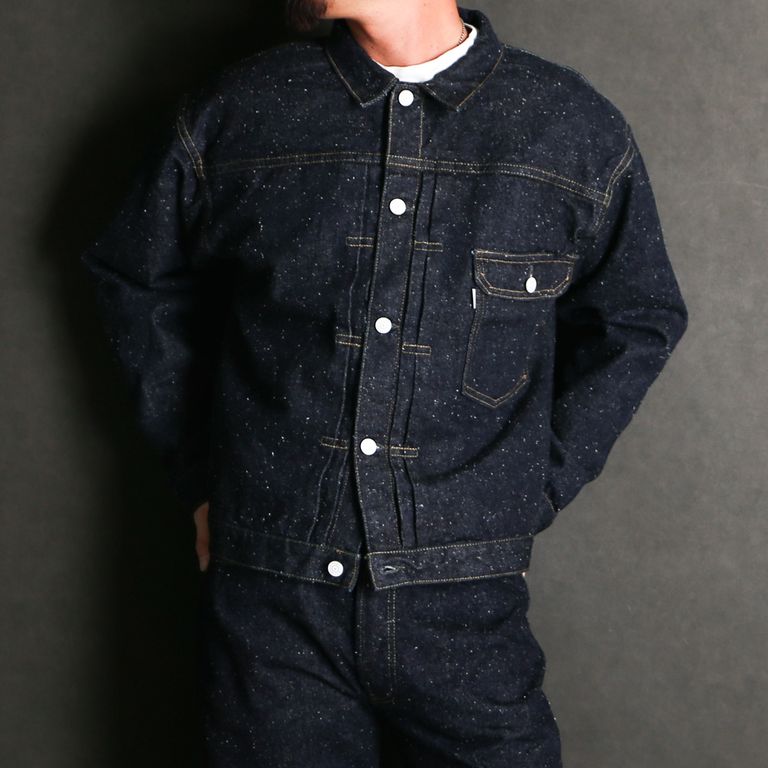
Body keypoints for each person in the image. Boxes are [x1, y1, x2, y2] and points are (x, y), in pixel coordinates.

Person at [79, 1, 689, 765]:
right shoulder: (237, 111)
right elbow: (133, 278)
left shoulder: (569, 130)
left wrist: (535, 483)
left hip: (467, 612)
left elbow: (638, 316)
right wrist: (203, 473)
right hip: (271, 615)